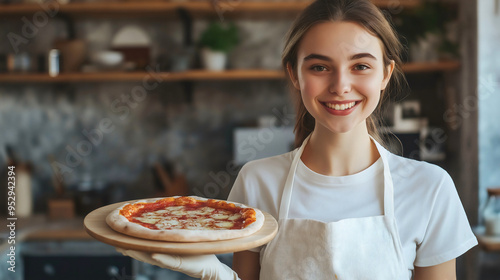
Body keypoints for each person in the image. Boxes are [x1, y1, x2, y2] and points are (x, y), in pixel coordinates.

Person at [119, 0, 478, 279]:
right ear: (295, 73)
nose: (340, 86)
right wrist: (218, 277)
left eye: (361, 66)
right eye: (319, 67)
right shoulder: (258, 181)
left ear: (386, 74)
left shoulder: (430, 189)